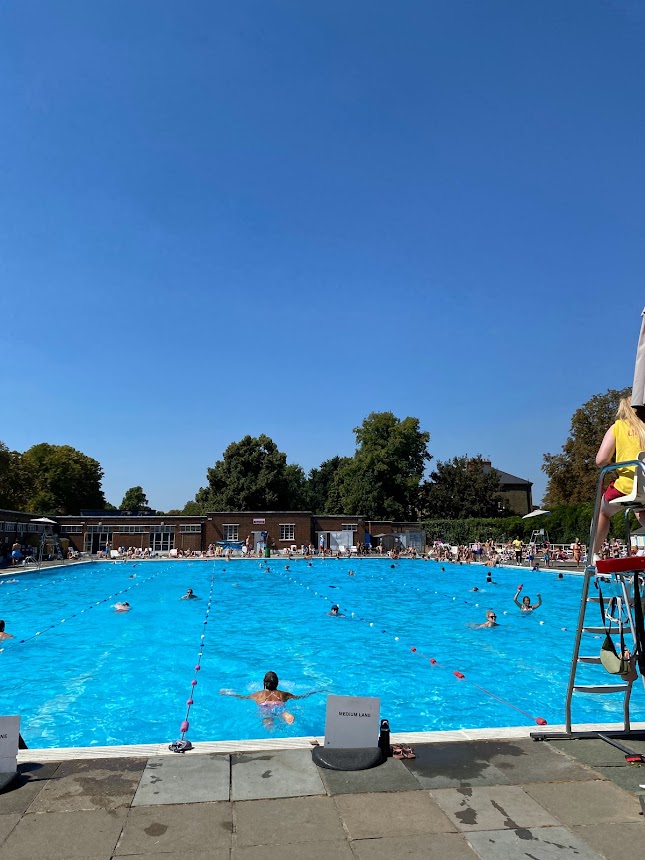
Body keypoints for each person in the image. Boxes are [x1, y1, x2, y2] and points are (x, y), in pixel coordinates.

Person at [594, 397, 645, 560]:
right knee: (641, 509)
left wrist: (616, 463)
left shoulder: (618, 427)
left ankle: (593, 553)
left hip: (629, 486)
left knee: (603, 512)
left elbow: (601, 460)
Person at [219, 671, 322, 727]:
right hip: (278, 704)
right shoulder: (283, 694)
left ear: (264, 683)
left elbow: (242, 697)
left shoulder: (258, 695)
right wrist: (313, 691)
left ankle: (269, 723)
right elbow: (299, 697)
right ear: (278, 683)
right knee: (283, 712)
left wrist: (229, 693)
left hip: (264, 705)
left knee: (267, 718)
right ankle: (286, 716)